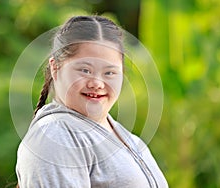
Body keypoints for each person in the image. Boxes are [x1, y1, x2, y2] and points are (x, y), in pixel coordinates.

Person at [15, 15, 168, 188]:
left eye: (109, 73)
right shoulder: (55, 134)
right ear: (55, 68)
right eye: (85, 70)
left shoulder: (127, 138)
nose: (97, 83)